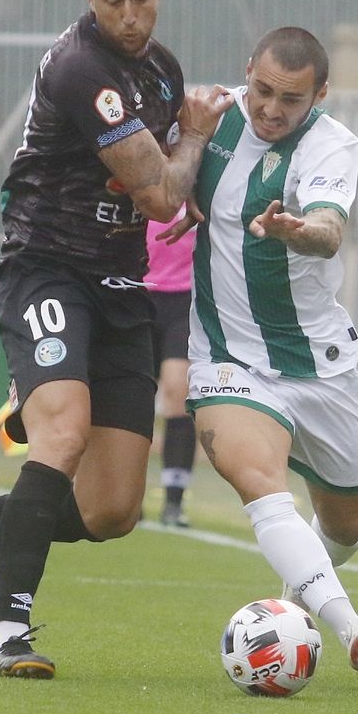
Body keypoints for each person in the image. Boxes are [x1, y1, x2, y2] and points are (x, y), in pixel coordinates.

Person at [0, 0, 232, 678]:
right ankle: (8, 637)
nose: (127, 17)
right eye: (110, 2)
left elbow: (163, 193)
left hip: (123, 285)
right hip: (47, 271)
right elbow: (163, 199)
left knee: (112, 512)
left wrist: (178, 166)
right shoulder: (78, 68)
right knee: (60, 437)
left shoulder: (160, 70)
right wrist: (190, 141)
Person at [172, 26, 358, 683]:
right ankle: (351, 627)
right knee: (263, 486)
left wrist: (299, 230)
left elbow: (329, 230)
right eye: (263, 91)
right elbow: (161, 187)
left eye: (290, 100)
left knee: (346, 529)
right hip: (226, 356)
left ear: (320, 94)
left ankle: (290, 607)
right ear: (248, 73)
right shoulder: (210, 117)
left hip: (319, 364)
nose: (271, 109)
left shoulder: (332, 145)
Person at [146, 209, 197, 527]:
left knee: (177, 393)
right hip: (138, 293)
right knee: (133, 398)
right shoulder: (138, 174)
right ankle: (126, 495)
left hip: (184, 300)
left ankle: (174, 500)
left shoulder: (197, 177)